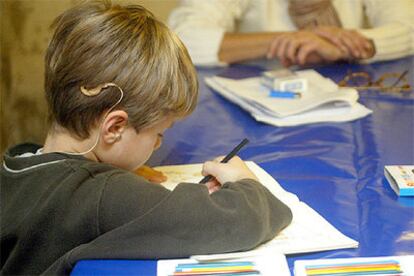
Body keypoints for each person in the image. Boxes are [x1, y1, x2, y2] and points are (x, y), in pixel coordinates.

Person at [0, 1, 292, 275]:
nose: (159, 145)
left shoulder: (18, 163)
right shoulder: (100, 196)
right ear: (114, 128)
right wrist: (246, 184)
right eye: (158, 134)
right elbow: (236, 221)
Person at [168, 0, 414, 67]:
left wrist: (350, 45)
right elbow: (182, 38)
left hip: (353, 95)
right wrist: (290, 42)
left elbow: (409, 26)